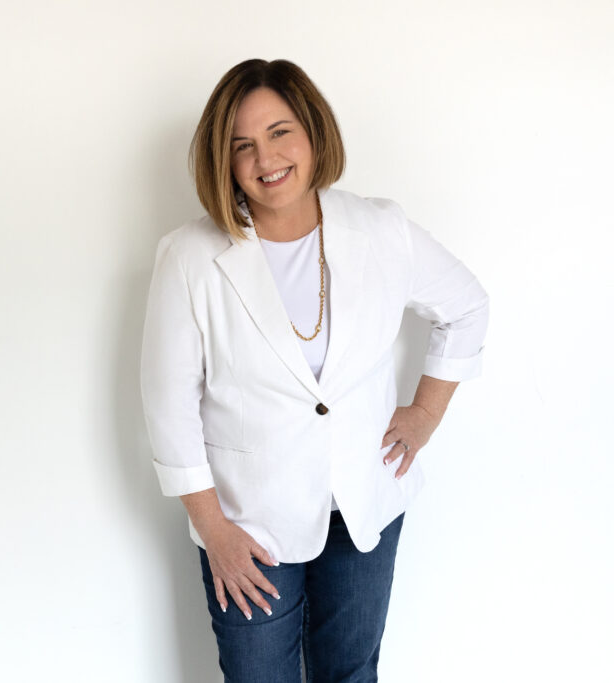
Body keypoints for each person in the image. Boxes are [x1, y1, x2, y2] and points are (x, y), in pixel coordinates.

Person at [139, 59, 489, 682]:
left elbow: (466, 306)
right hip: (249, 526)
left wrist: (425, 413)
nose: (264, 157)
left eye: (279, 132)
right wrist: (213, 530)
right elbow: (168, 406)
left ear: (313, 132)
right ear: (222, 160)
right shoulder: (189, 257)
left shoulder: (380, 229)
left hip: (364, 507)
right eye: (241, 145)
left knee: (350, 674)